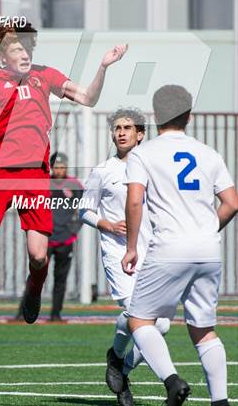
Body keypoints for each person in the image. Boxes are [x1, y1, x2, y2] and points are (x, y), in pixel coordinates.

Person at [0, 19, 128, 347]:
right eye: (18, 48)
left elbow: (87, 97)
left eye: (28, 47)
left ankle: (34, 292)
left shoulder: (45, 75)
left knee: (38, 256)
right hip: (0, 175)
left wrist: (103, 66)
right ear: (3, 55)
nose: (25, 52)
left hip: (34, 175)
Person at [122, 85, 238, 406]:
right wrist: (204, 230)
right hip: (208, 249)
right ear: (189, 116)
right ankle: (221, 402)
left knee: (140, 320)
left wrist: (131, 247)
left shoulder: (143, 154)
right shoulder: (208, 153)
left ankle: (173, 382)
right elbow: (231, 202)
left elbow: (134, 201)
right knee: (203, 330)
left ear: (155, 116)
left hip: (169, 247)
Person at [80, 107, 170, 406]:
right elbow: (84, 210)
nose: (121, 132)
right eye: (117, 128)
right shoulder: (103, 171)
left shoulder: (155, 168)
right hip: (119, 253)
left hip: (152, 253)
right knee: (137, 313)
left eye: (127, 128)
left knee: (162, 326)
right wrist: (105, 223)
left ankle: (121, 365)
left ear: (140, 134)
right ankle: (118, 358)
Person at [15, 151, 83, 322]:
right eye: (56, 167)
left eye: (63, 167)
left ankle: (55, 314)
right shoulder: (44, 183)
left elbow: (83, 208)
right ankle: (23, 312)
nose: (59, 170)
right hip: (45, 239)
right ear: (52, 168)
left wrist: (74, 229)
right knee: (35, 275)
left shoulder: (74, 184)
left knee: (60, 279)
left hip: (65, 239)